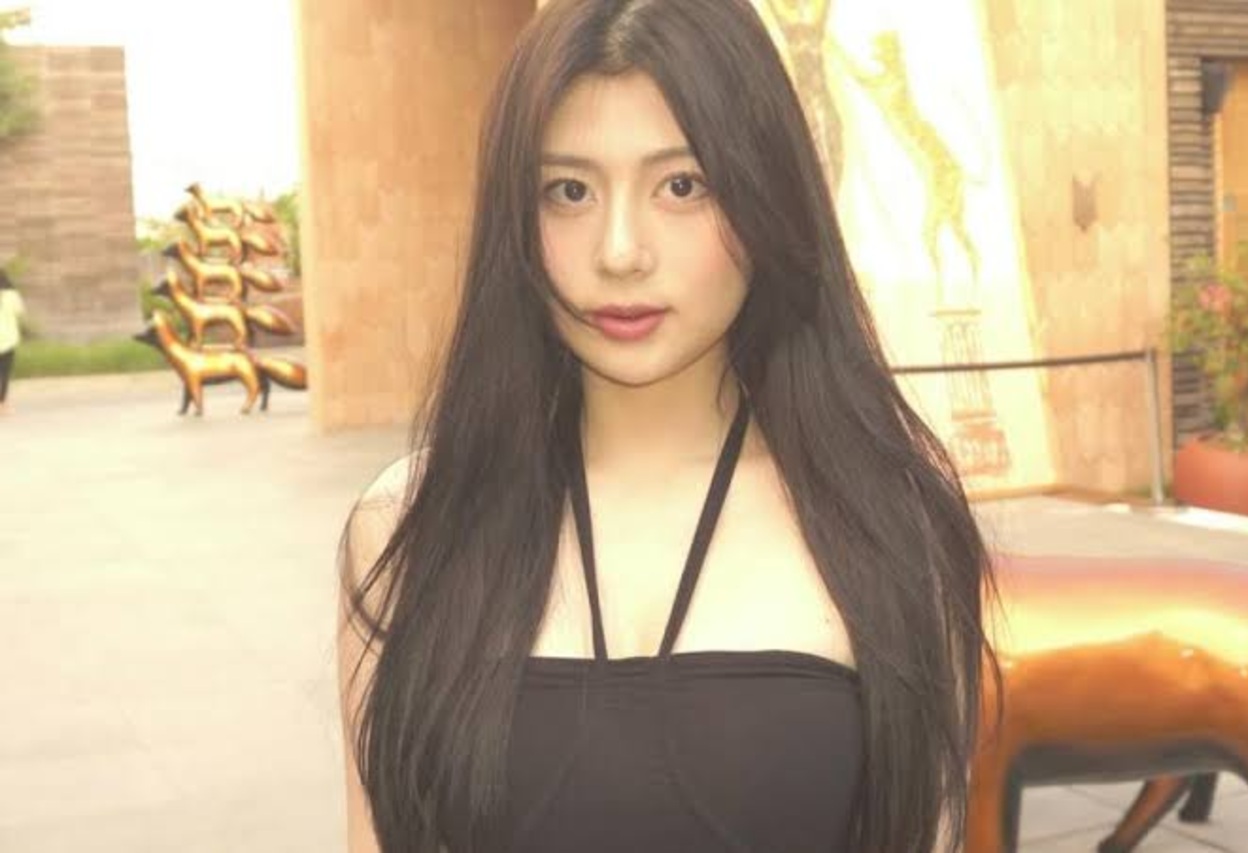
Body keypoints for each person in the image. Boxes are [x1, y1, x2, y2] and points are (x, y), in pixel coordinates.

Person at [338, 1, 1000, 852]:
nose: (620, 250)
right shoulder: (407, 527)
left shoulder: (887, 518)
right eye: (569, 191)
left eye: (682, 186)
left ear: (766, 197)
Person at [0, 269, 26, 415]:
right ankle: (2, 405)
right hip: (8, 338)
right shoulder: (12, 296)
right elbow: (20, 311)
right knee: (4, 372)